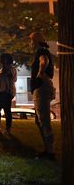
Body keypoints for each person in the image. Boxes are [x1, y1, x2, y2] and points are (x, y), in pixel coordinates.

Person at [29, 32, 55, 160]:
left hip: (42, 88)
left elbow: (44, 61)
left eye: (32, 41)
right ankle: (47, 149)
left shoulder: (41, 51)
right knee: (39, 121)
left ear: (37, 41)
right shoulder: (41, 51)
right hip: (41, 88)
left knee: (44, 121)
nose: (30, 43)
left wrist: (39, 74)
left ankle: (50, 152)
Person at [0, 53, 17, 135]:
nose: (2, 62)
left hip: (6, 93)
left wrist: (6, 66)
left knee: (7, 111)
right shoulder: (0, 70)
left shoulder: (11, 69)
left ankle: (7, 129)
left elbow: (10, 77)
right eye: (2, 60)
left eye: (5, 59)